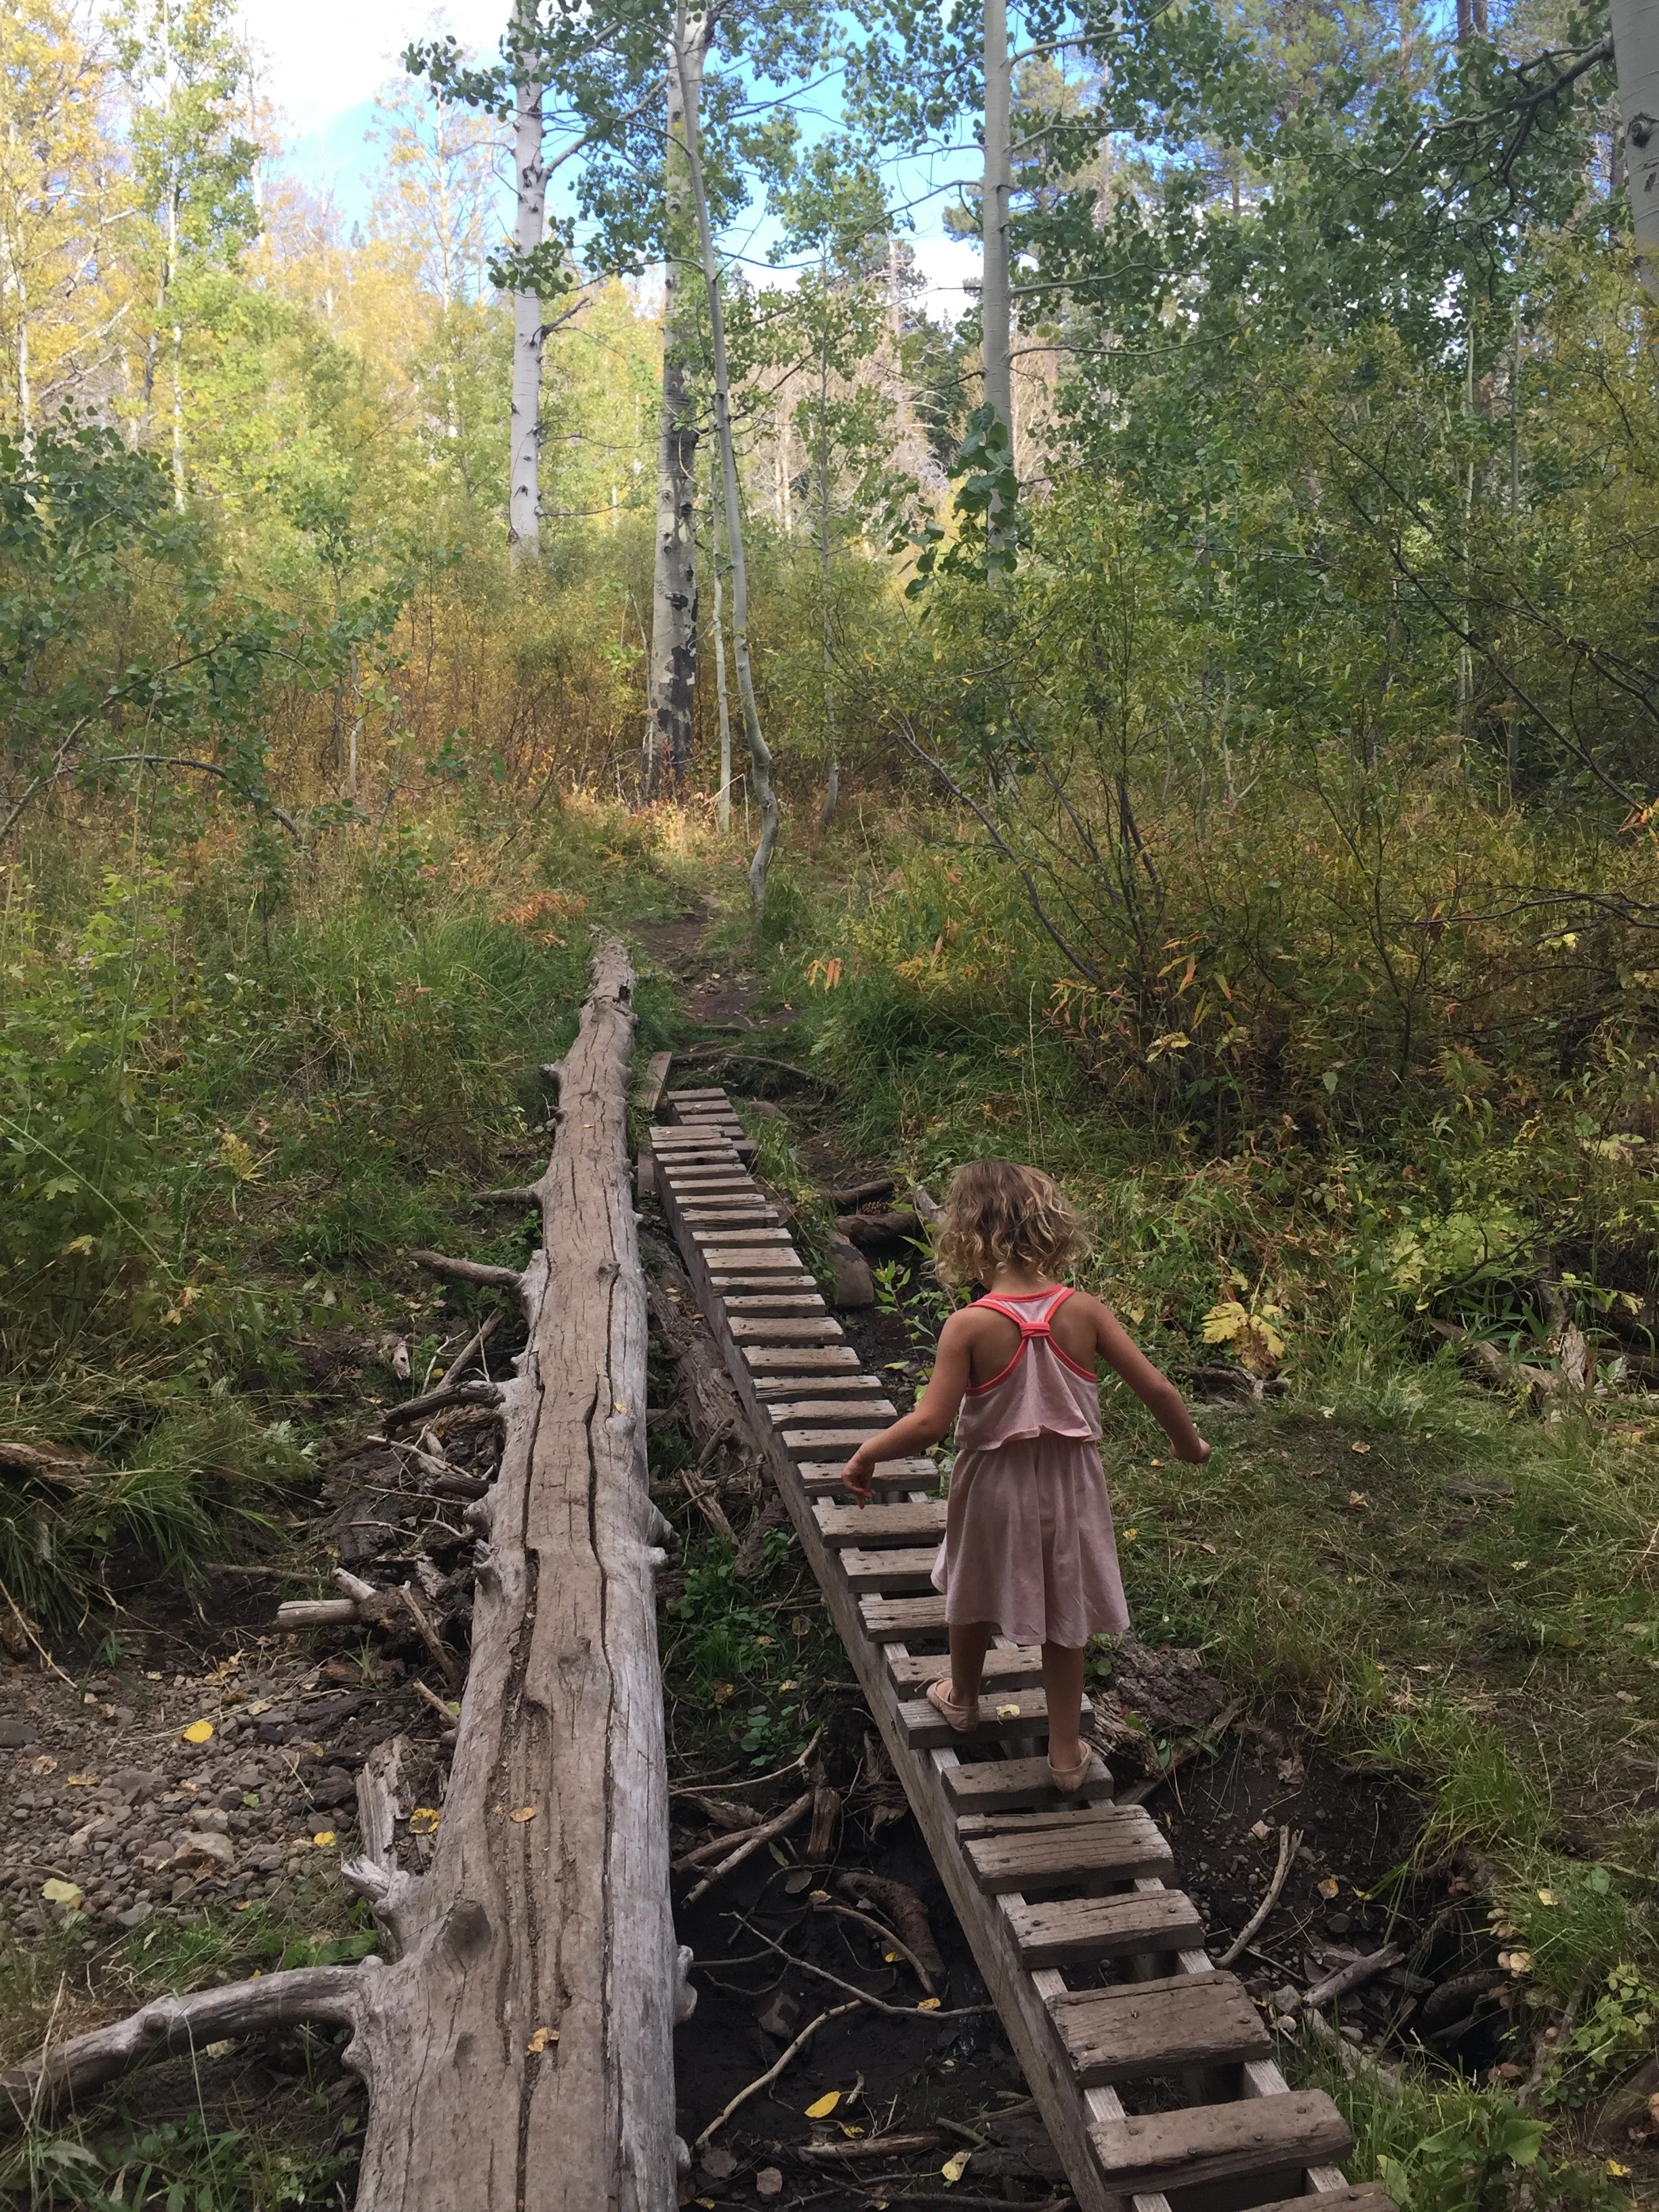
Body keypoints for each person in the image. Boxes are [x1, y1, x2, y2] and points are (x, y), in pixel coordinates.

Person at [841, 1159, 1210, 1792]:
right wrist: (1189, 1445)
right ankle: (1066, 1754)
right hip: (1072, 1490)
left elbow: (931, 1423)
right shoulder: (1084, 1311)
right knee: (1065, 1613)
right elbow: (1157, 1387)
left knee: (973, 1584)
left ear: (967, 1236)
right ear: (1049, 1230)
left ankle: (961, 1696)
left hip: (993, 1487)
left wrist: (869, 1451)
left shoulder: (970, 1325)